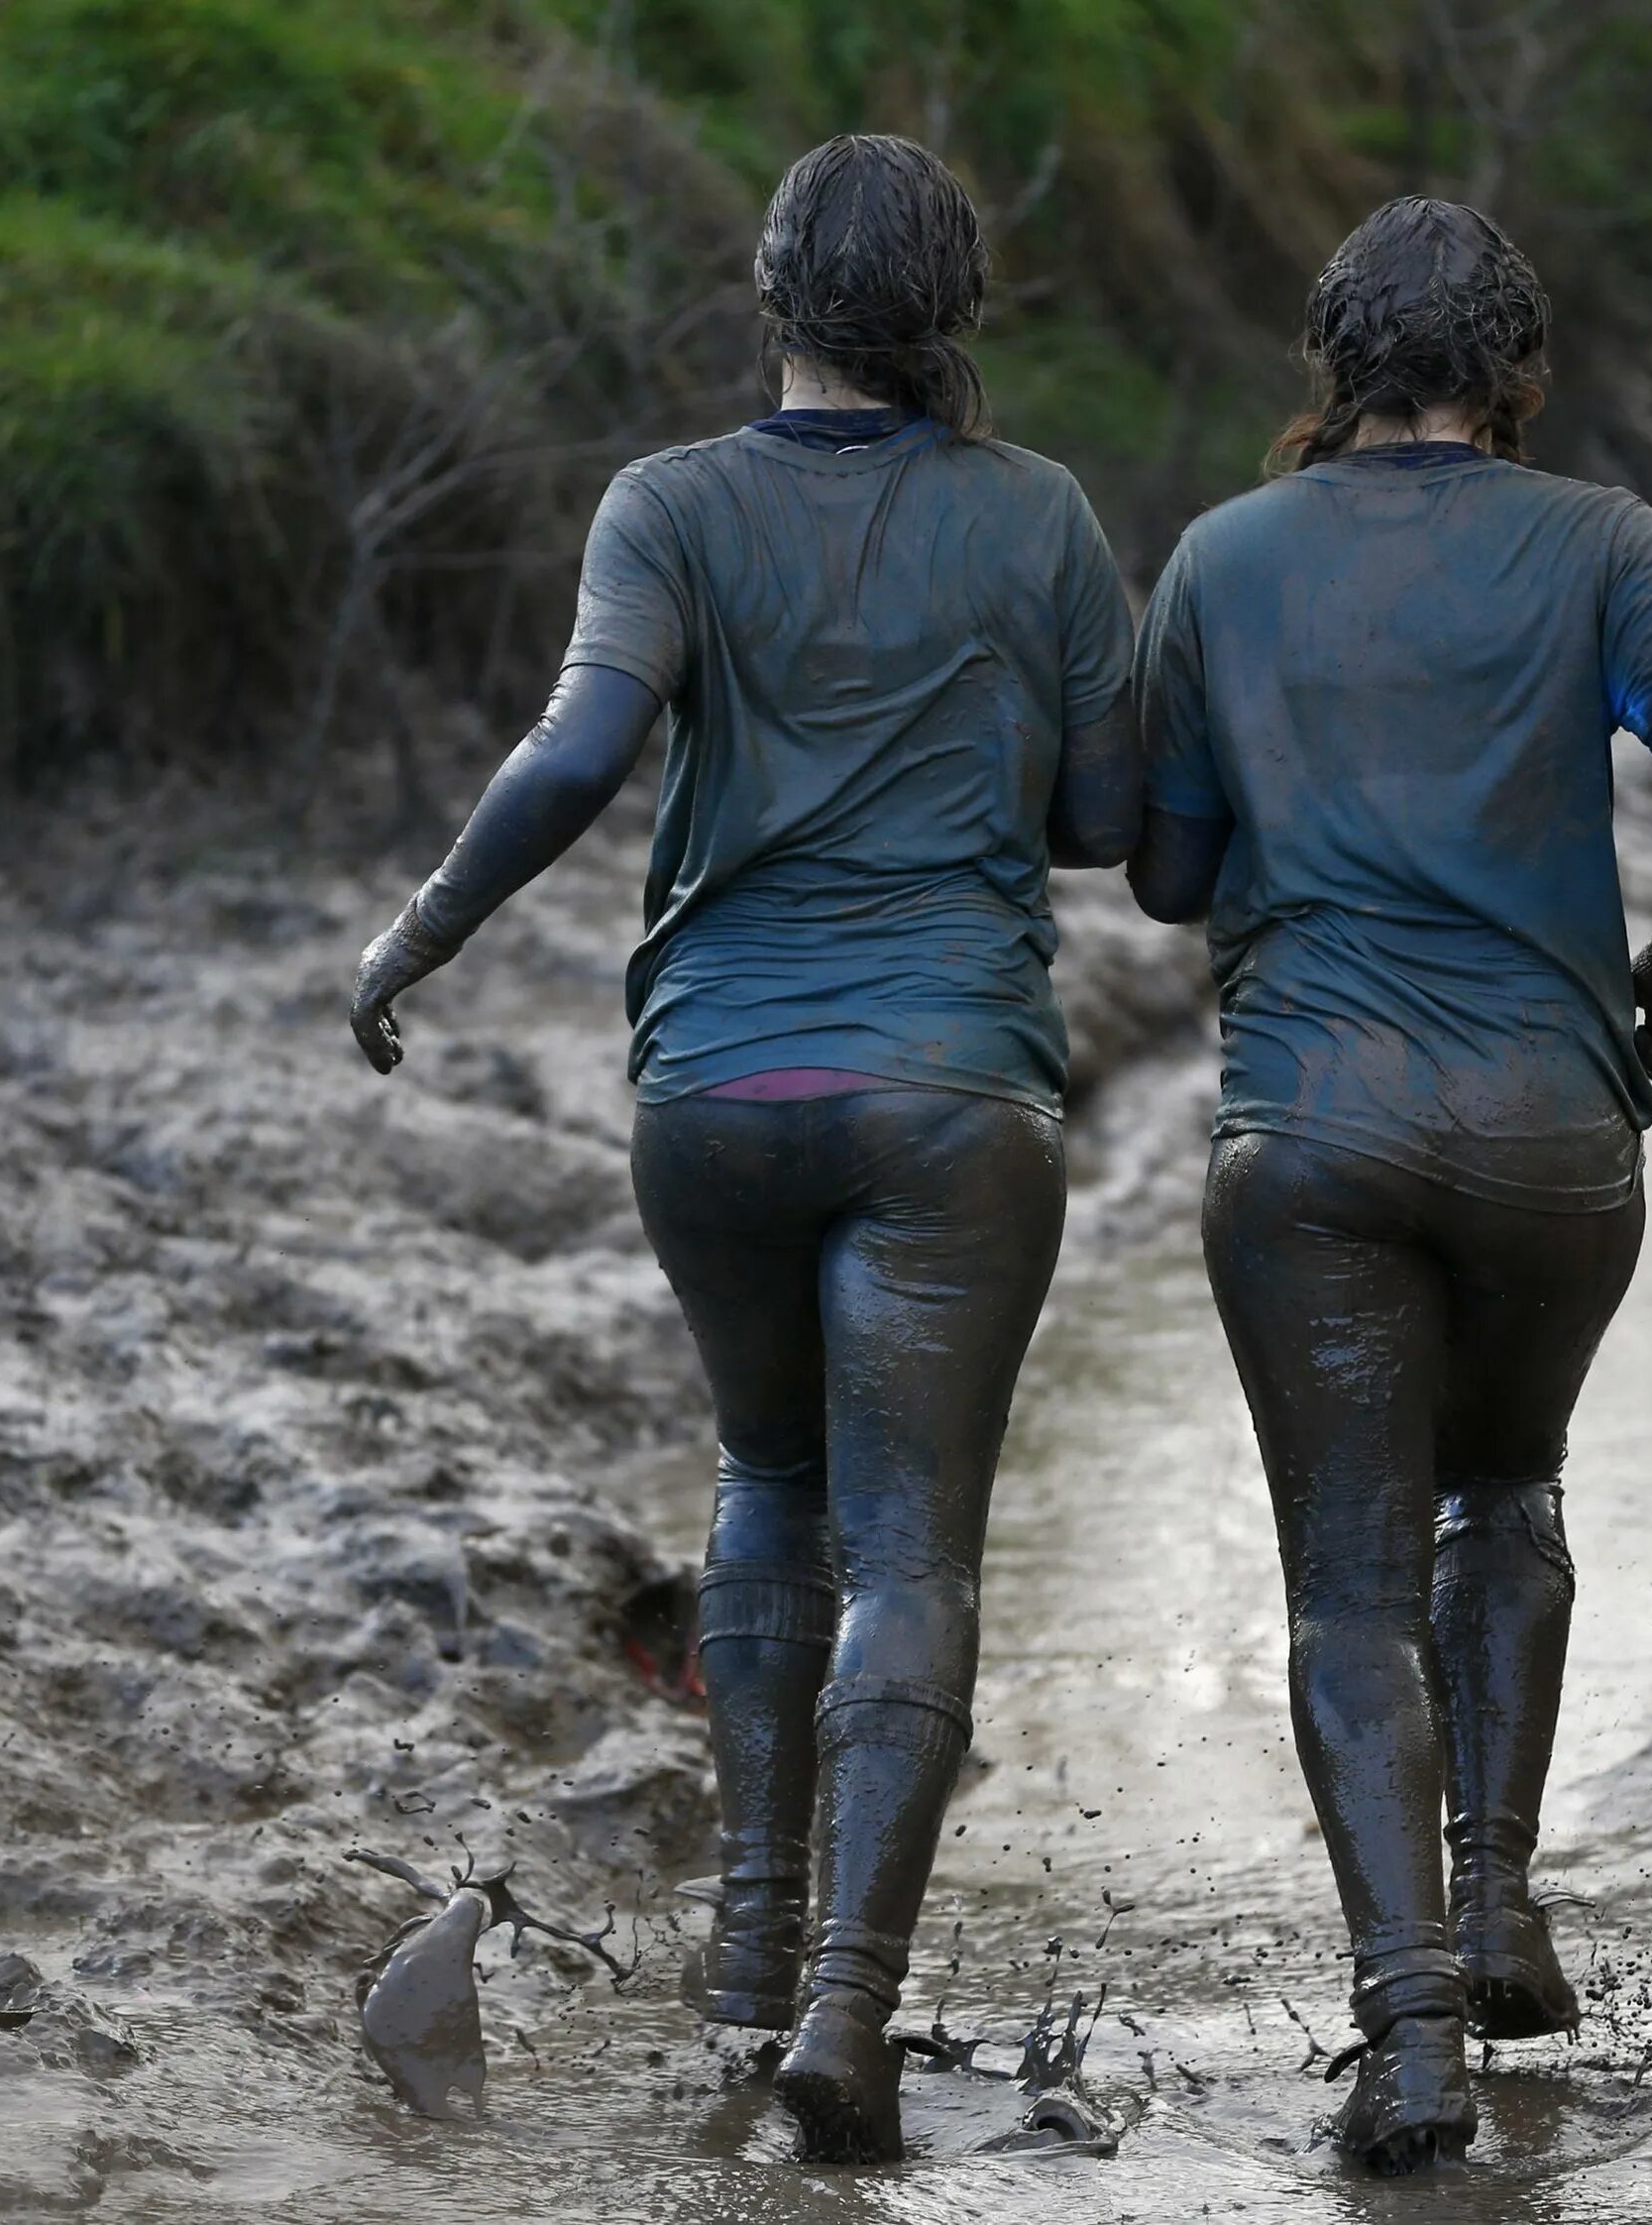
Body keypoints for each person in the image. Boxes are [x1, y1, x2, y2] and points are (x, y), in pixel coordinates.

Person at [348, 134, 1138, 2165]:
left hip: (715, 1094)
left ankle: (741, 1976)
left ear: (768, 296)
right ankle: (851, 2021)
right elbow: (1118, 811)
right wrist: (972, 756)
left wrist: (419, 930)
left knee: (766, 1484)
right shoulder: (1037, 514)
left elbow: (582, 749)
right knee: (915, 1546)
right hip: (955, 1095)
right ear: (956, 313)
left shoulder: (669, 505)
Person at [1126, 196, 1652, 2172]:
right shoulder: (1609, 545)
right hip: (1554, 1130)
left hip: (1310, 1126)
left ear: (1329, 365)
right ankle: (1496, 1898)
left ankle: (1408, 2039)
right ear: (1518, 373)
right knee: (1506, 1487)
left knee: (1347, 1581)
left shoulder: (1225, 558)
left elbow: (1158, 872)